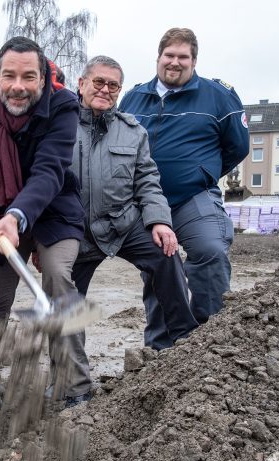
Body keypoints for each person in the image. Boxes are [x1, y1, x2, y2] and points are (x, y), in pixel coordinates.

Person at [0, 36, 89, 430]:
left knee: (59, 280)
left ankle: (74, 384)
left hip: (54, 209)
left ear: (42, 78)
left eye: (29, 76)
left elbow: (49, 170)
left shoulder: (62, 106)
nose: (18, 85)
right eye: (9, 75)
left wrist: (18, 215)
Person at [119, 27, 249, 349]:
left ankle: (208, 338)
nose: (175, 62)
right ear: (159, 57)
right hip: (147, 202)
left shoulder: (218, 95)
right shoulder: (134, 97)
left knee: (209, 249)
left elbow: (237, 146)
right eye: (169, 55)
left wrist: (203, 171)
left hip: (192, 196)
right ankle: (162, 345)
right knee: (159, 260)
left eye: (183, 57)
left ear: (194, 61)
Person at [70, 55, 198, 348]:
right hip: (74, 233)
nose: (105, 89)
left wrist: (160, 221)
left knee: (166, 255)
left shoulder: (133, 131)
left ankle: (183, 342)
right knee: (65, 300)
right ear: (81, 84)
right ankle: (71, 379)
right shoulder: (59, 128)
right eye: (98, 82)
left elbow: (148, 180)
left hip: (122, 224)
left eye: (113, 85)